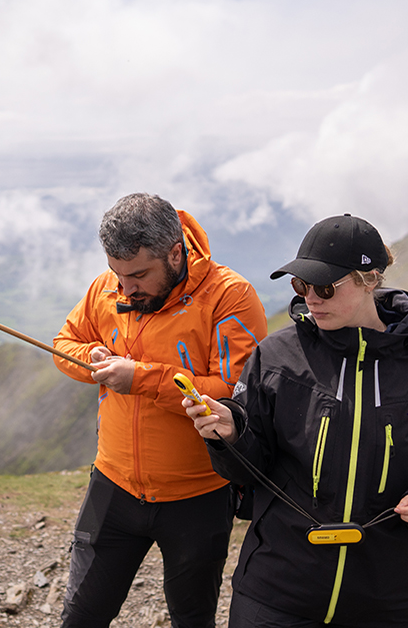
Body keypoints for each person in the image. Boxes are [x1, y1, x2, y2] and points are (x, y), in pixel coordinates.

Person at [183, 214, 408, 628]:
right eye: (300, 285)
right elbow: (250, 471)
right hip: (276, 594)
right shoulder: (275, 358)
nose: (311, 299)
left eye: (324, 287)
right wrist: (231, 434)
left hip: (387, 600)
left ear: (371, 279)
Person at [52, 193, 268, 628]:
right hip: (111, 483)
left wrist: (141, 378)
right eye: (117, 274)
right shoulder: (105, 288)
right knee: (80, 616)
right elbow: (62, 345)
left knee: (192, 618)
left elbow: (232, 392)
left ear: (175, 254)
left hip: (199, 495)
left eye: (138, 275)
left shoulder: (231, 296)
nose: (125, 288)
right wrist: (91, 357)